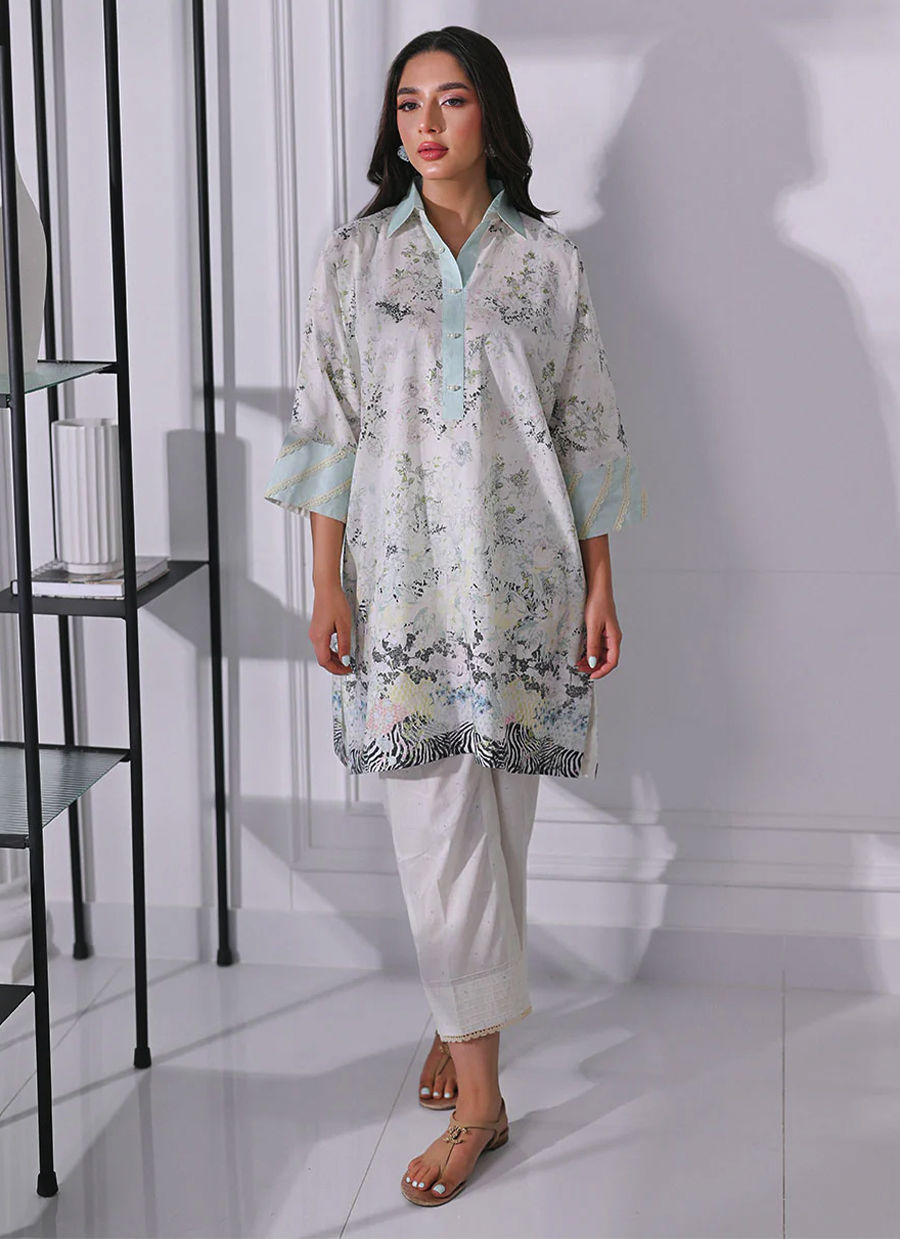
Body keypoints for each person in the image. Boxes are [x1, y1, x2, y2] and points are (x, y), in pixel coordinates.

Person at [264, 24, 648, 1208]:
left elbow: (587, 430)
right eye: (408, 104)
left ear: (492, 117)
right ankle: (484, 1100)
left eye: (452, 100)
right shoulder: (353, 259)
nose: (427, 124)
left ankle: (457, 1020)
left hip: (525, 580)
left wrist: (601, 581)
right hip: (401, 584)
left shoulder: (547, 264)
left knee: (499, 817)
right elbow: (325, 424)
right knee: (436, 824)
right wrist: (325, 581)